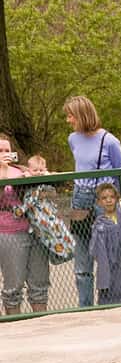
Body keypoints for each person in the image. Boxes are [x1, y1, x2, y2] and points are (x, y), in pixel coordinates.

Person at [64, 95, 121, 307]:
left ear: (81, 115)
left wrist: (119, 204)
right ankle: (86, 308)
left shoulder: (109, 141)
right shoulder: (73, 138)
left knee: (110, 257)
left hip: (104, 200)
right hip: (80, 199)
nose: (68, 120)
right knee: (82, 262)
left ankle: (113, 302)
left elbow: (120, 174)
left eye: (70, 116)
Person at [0, 135, 49, 315]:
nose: (5, 154)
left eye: (7, 150)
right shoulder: (4, 171)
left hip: (35, 230)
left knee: (39, 283)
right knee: (13, 286)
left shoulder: (22, 169)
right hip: (9, 233)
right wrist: (3, 170)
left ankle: (41, 325)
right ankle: (16, 328)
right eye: (0, 151)